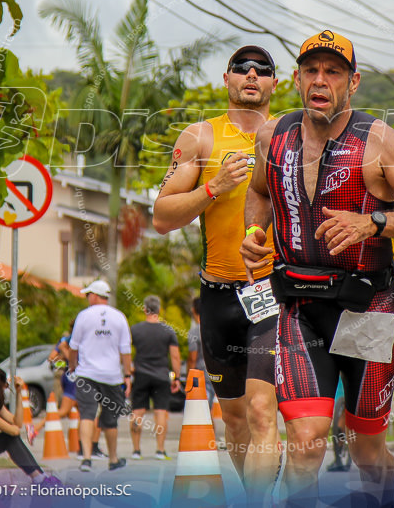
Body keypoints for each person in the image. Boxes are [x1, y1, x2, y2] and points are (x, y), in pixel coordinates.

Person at [241, 30, 394, 504]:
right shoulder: (272, 136)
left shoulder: (379, 142)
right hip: (299, 305)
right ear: (295, 79)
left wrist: (373, 222)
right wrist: (255, 235)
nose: (321, 80)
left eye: (333, 72)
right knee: (305, 443)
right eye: (311, 70)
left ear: (352, 83)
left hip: (367, 309)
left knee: (368, 452)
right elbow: (258, 191)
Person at [152, 44, 281, 502]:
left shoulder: (289, 136)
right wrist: (214, 186)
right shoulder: (200, 138)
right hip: (218, 297)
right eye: (242, 69)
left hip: (271, 293)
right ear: (226, 79)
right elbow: (162, 217)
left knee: (263, 410)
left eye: (262, 69)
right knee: (235, 419)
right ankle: (256, 494)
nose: (251, 74)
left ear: (274, 84)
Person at [68, 279, 131, 472]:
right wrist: (127, 375)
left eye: (88, 295)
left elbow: (73, 347)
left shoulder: (83, 316)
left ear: (95, 295)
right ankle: (113, 459)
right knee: (110, 418)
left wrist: (73, 368)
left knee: (87, 414)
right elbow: (125, 350)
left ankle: (86, 458)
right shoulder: (120, 317)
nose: (88, 298)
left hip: (86, 374)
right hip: (112, 376)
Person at [128, 295, 181, 461]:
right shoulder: (168, 330)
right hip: (161, 376)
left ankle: (136, 451)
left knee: (137, 412)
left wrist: (129, 369)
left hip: (141, 375)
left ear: (144, 309)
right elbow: (175, 357)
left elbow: (125, 351)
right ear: (159, 310)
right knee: (160, 412)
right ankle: (160, 450)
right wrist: (177, 377)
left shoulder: (135, 330)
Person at [32, 321, 82, 448]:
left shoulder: (65, 339)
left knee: (82, 412)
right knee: (64, 411)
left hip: (69, 376)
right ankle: (35, 428)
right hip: (73, 378)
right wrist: (66, 353)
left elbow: (52, 358)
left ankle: (84, 445)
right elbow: (58, 358)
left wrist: (63, 358)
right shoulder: (74, 339)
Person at [186, 297, 216, 408]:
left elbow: (192, 358)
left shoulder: (194, 331)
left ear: (193, 310)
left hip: (200, 376)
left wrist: (190, 378)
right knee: (208, 411)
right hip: (214, 373)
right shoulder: (214, 329)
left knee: (201, 411)